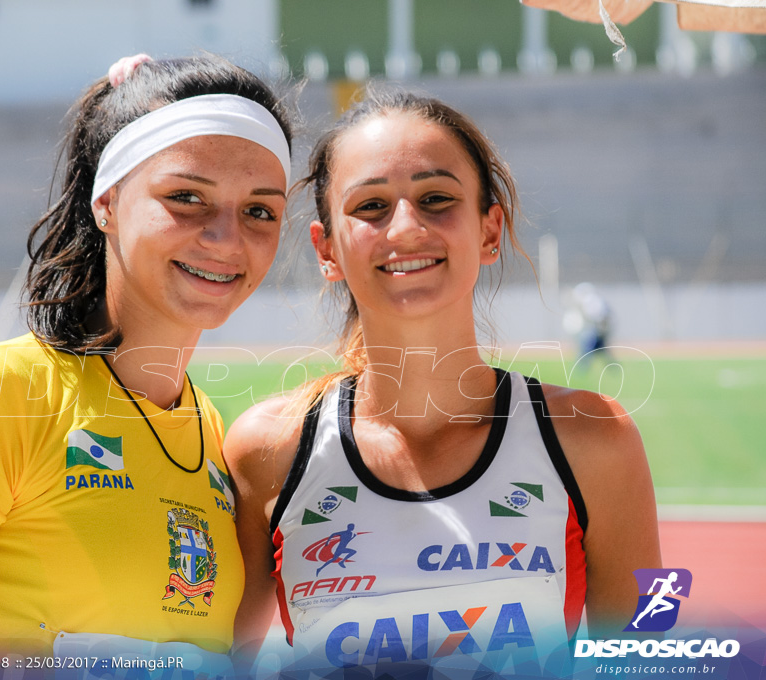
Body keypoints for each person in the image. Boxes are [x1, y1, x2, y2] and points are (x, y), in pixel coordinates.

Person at [0, 53, 294, 667]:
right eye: (187, 197)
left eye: (259, 210)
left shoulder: (211, 437)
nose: (227, 237)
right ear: (107, 203)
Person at [225, 90, 660, 676]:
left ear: (489, 231)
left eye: (436, 199)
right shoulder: (266, 451)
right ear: (326, 250)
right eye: (371, 206)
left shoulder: (596, 440)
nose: (406, 228)